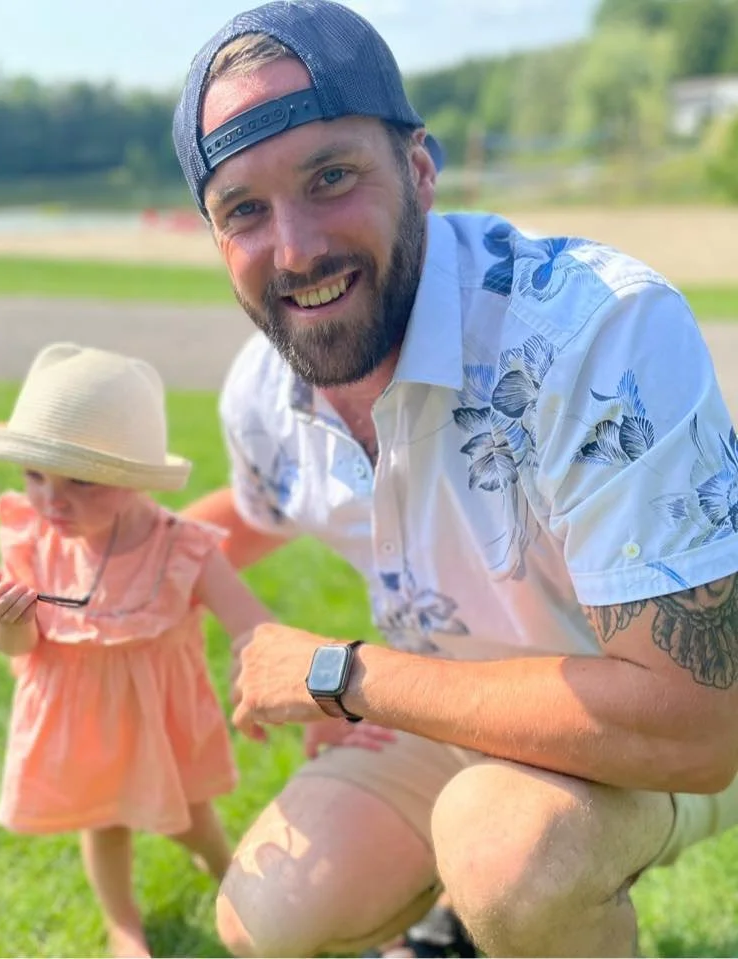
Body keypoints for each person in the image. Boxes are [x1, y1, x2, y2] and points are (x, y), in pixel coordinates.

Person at [170, 2, 738, 957]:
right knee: (263, 916)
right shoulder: (267, 390)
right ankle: (465, 921)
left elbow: (696, 725)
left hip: (667, 713)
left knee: (510, 854)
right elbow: (258, 508)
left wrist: (342, 676)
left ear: (420, 169)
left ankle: (496, 900)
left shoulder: (594, 332)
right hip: (444, 714)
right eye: (244, 211)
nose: (296, 249)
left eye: (331, 177)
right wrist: (112, 555)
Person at [0, 342, 275, 959]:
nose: (52, 501)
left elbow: (252, 624)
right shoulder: (34, 540)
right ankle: (122, 923)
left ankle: (227, 874)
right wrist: (6, 622)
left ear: (135, 477)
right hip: (83, 719)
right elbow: (18, 648)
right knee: (104, 820)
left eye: (81, 481)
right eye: (35, 476)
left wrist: (258, 674)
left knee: (192, 815)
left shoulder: (179, 548)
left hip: (161, 717)